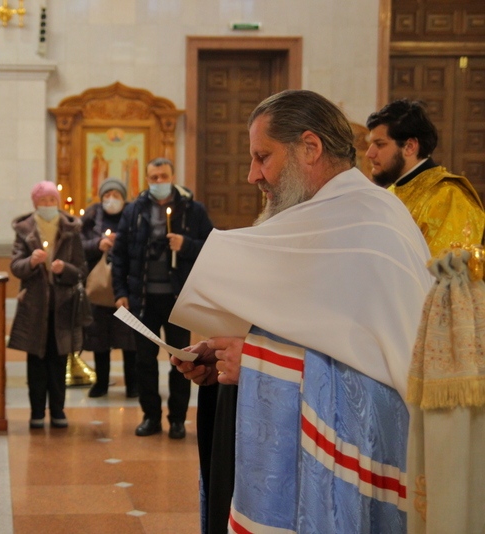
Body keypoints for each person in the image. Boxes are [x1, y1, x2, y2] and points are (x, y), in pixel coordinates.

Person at [171, 90, 434, 533]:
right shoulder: (316, 218)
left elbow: (386, 389)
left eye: (263, 157)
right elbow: (302, 332)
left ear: (310, 147)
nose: (252, 174)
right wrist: (226, 356)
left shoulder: (372, 226)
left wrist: (255, 362)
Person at [112, 157, 214, 439]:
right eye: (154, 177)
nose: (159, 182)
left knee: (181, 359)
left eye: (163, 176)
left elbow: (213, 246)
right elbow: (119, 254)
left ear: (172, 177)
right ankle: (150, 416)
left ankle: (177, 419)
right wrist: (120, 292)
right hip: (142, 298)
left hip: (178, 299)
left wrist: (186, 244)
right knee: (144, 361)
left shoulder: (192, 210)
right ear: (147, 179)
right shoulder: (134, 211)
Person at [8, 181, 88, 429]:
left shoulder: (71, 230)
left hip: (63, 305)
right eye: (43, 201)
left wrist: (65, 269)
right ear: (35, 203)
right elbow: (16, 266)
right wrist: (31, 262)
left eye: (52, 200)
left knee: (58, 360)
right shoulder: (25, 230)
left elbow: (81, 270)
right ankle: (36, 412)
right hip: (35, 306)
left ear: (58, 202)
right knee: (36, 361)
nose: (48, 204)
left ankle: (58, 411)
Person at [366, 99, 485, 257]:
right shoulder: (391, 192)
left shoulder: (448, 197)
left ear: (410, 147)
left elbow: (444, 269)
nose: (369, 153)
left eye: (380, 144)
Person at [80, 177, 137, 398]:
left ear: (124, 198)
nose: (111, 199)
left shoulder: (133, 216)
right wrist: (98, 244)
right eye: (107, 195)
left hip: (126, 287)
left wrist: (120, 242)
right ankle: (101, 383)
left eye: (116, 195)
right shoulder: (91, 218)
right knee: (99, 338)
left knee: (129, 339)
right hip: (99, 288)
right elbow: (79, 245)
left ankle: (133, 384)